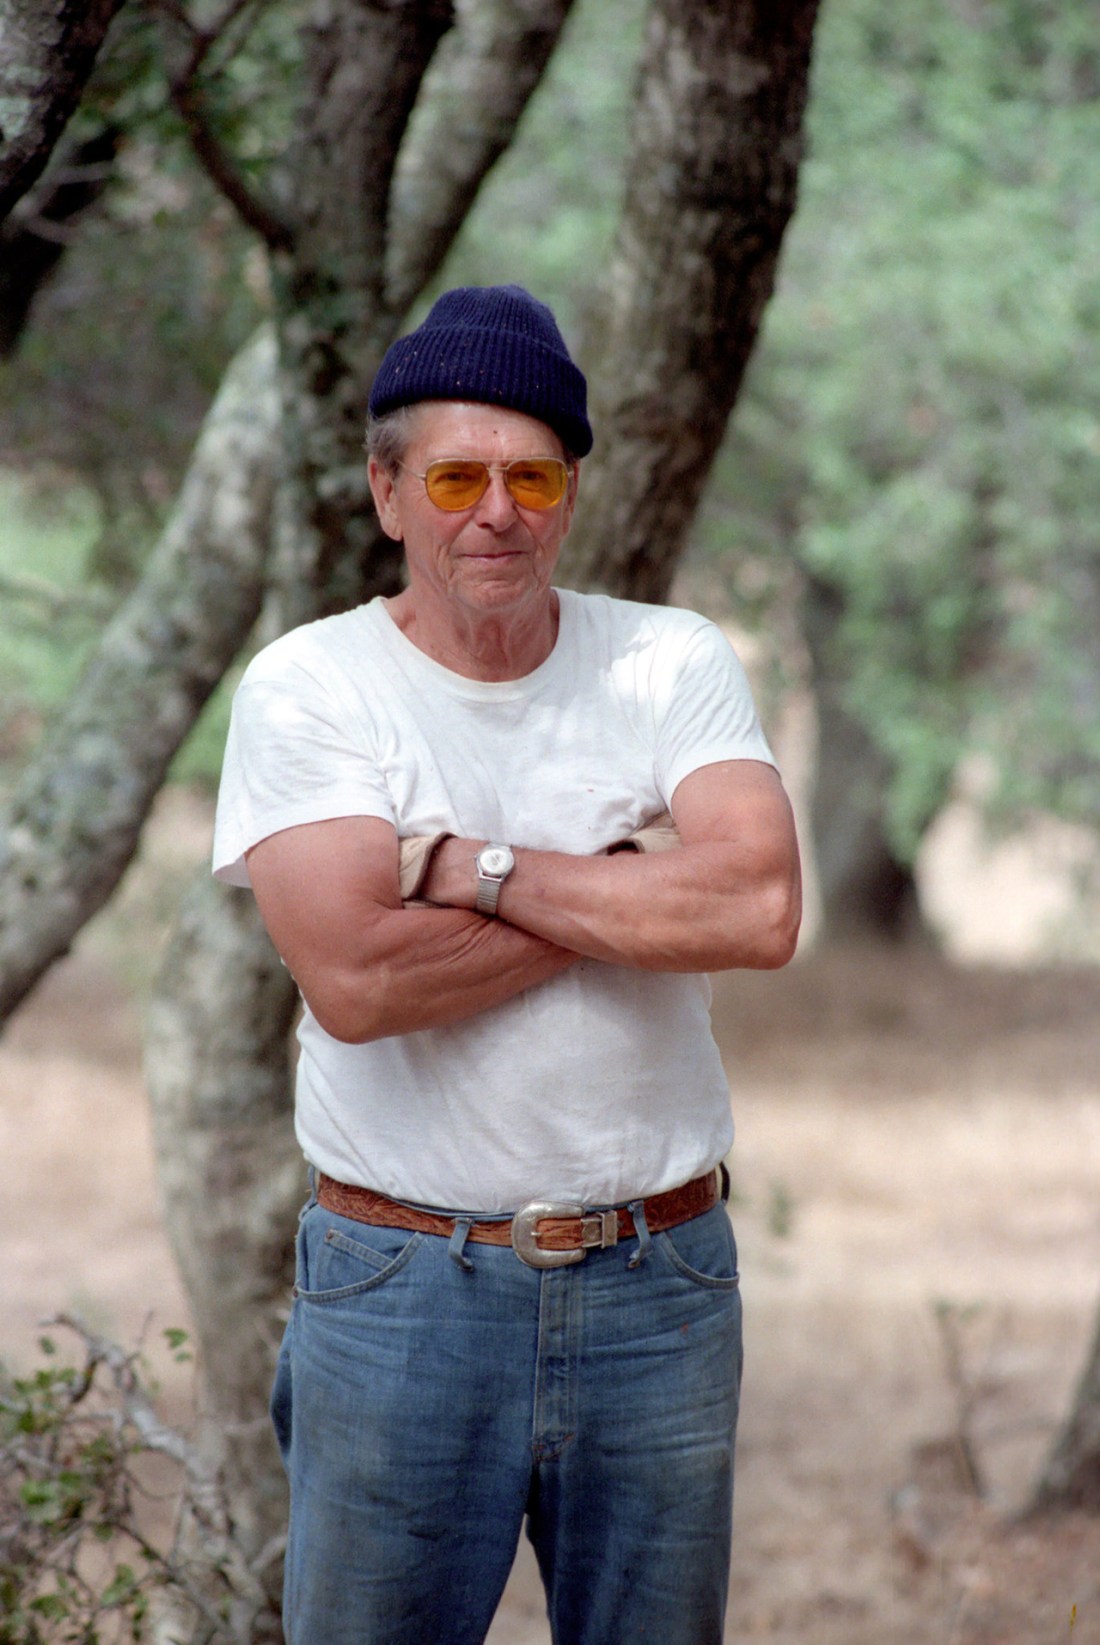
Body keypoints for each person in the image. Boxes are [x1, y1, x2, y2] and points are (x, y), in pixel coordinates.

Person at [212, 283, 801, 1645]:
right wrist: (629, 880)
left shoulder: (667, 659)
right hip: (405, 1285)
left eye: (532, 476)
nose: (497, 512)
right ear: (387, 492)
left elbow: (761, 907)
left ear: (571, 494)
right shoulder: (311, 686)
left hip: (662, 1281)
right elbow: (360, 984)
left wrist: (466, 867)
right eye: (455, 477)